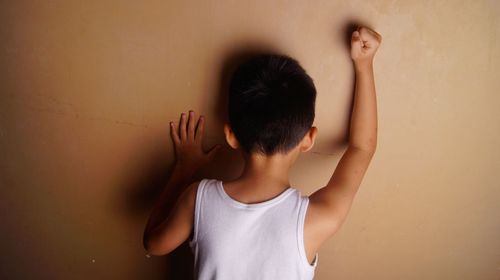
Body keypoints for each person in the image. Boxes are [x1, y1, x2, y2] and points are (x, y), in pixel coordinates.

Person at [143, 25, 382, 279]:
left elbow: (153, 244)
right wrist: (364, 64)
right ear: (308, 139)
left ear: (231, 135)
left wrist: (185, 168)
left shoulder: (197, 199)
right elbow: (362, 147)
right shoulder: (316, 219)